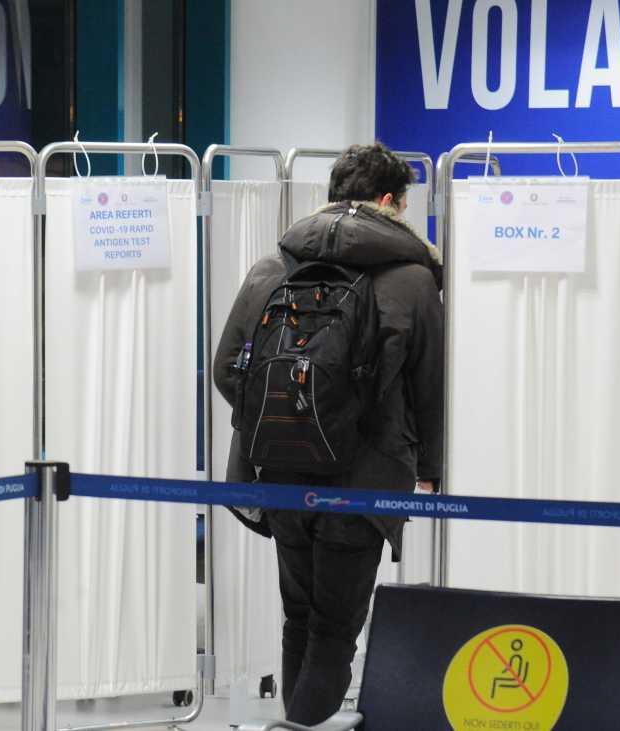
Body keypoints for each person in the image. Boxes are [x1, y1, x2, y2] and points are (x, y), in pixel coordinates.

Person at [213, 142, 444, 724]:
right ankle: (302, 727)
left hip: (279, 471)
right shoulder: (414, 279)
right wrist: (429, 466)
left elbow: (225, 369)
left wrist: (283, 422)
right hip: (363, 478)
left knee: (298, 616)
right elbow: (428, 384)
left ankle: (295, 722)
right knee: (335, 628)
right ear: (390, 201)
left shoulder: (272, 267)